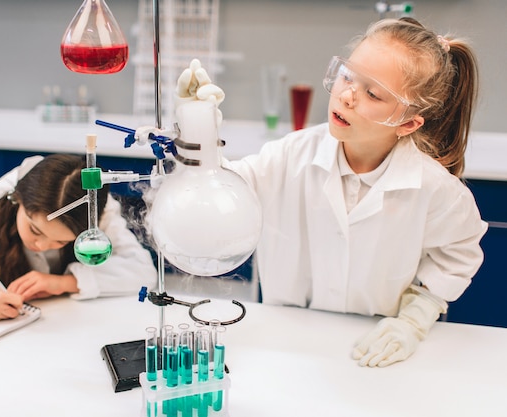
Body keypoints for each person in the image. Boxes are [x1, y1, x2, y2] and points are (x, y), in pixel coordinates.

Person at [168, 18, 488, 367]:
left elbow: (459, 254)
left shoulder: (435, 188)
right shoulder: (289, 155)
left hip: (370, 351)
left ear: (408, 123)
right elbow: (219, 196)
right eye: (349, 76)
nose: (347, 96)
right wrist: (198, 129)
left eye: (373, 93)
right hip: (285, 346)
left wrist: (415, 317)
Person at [0, 154, 157, 322]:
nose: (40, 246)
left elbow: (143, 272)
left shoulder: (96, 213)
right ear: (19, 200)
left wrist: (62, 283)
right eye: (35, 230)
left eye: (60, 242)